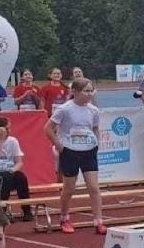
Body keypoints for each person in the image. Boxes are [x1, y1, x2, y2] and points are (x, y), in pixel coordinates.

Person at [44, 77, 106, 235]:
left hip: (89, 150)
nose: (89, 94)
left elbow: (95, 128)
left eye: (91, 91)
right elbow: (48, 128)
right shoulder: (64, 109)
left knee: (93, 187)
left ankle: (98, 220)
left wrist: (96, 143)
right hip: (70, 151)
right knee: (69, 188)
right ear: (75, 92)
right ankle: (64, 217)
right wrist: (59, 145)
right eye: (86, 91)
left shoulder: (94, 110)